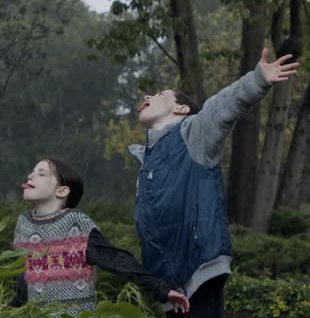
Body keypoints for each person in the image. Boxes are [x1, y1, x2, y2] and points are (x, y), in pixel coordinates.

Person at [128, 49, 299, 317]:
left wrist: (257, 79)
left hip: (199, 269)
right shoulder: (147, 159)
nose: (147, 97)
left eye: (160, 95)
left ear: (180, 108)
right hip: (166, 282)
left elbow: (222, 107)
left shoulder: (193, 134)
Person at [8, 158, 190, 315]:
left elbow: (117, 260)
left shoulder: (77, 224)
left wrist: (162, 290)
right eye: (31, 172)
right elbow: (26, 273)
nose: (30, 176)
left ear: (62, 191)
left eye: (41, 173)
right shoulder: (23, 224)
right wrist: (14, 306)